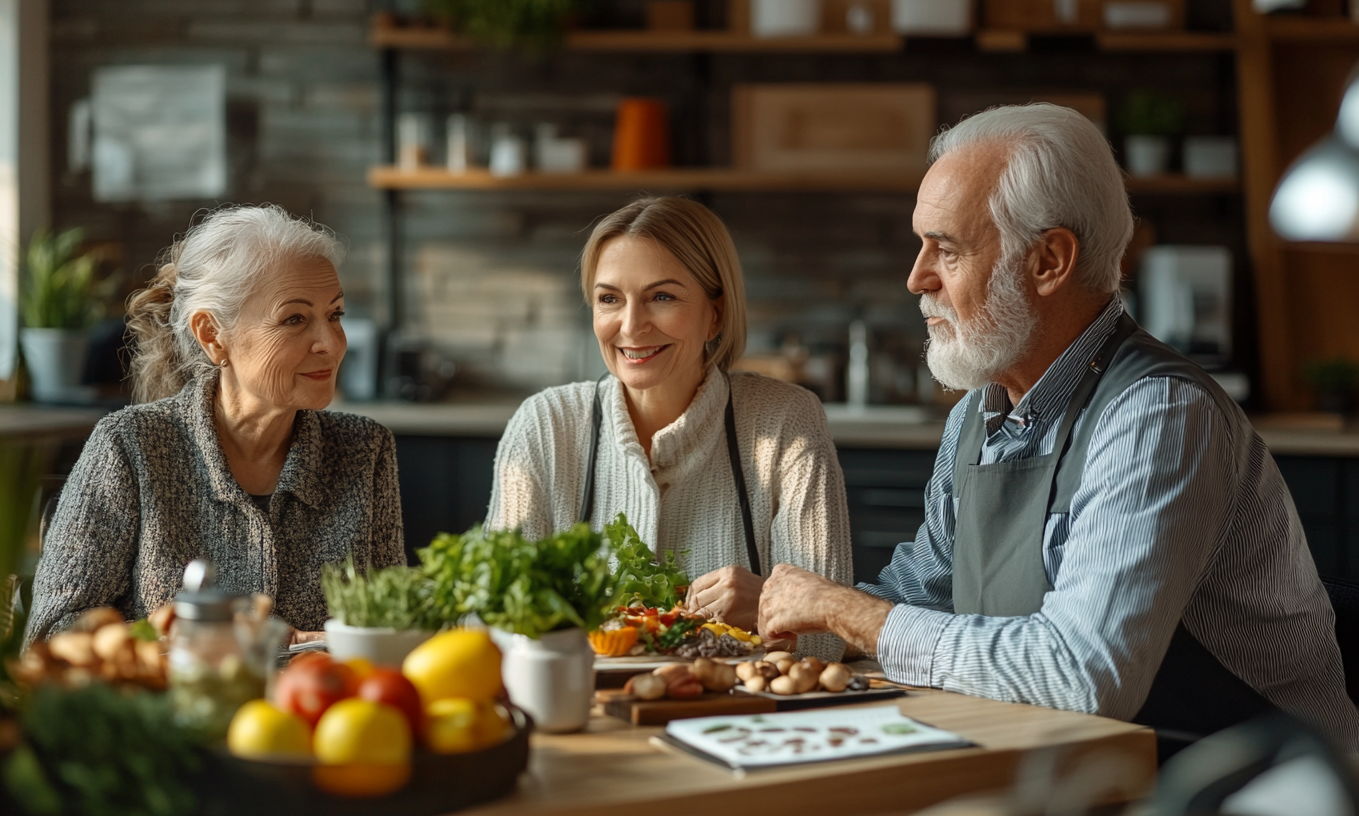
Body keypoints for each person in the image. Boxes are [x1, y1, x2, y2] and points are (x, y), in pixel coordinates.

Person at [757, 104, 1359, 746]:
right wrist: (798, 613)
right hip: (1077, 761)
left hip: (1246, 782)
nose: (916, 278)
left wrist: (852, 615)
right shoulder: (978, 414)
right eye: (921, 245)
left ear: (1048, 261)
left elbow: (1085, 673)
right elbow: (918, 600)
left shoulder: (1158, 415)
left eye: (948, 250)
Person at [485, 196, 852, 660]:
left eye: (662, 297)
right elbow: (492, 622)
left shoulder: (785, 423)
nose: (632, 326)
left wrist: (766, 605)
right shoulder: (545, 426)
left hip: (735, 720)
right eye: (609, 299)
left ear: (715, 313)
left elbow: (829, 641)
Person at [25, 204, 405, 645]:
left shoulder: (366, 449)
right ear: (212, 334)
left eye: (335, 314)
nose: (331, 343)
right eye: (294, 319)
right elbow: (51, 635)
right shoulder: (130, 446)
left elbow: (390, 628)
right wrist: (220, 638)